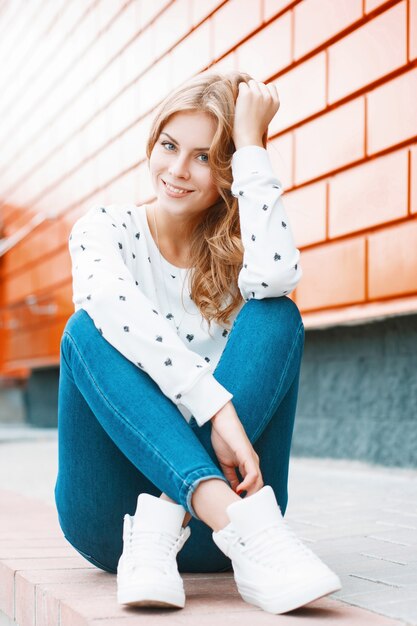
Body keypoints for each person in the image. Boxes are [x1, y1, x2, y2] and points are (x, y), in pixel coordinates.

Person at [55, 70, 341, 615]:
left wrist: (254, 145)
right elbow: (112, 309)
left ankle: (179, 514)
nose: (178, 171)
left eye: (206, 157)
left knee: (276, 316)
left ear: (228, 171)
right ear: (152, 145)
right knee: (84, 328)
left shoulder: (242, 259)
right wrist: (216, 406)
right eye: (169, 146)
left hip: (222, 538)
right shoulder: (104, 230)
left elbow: (279, 277)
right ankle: (228, 526)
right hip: (116, 525)